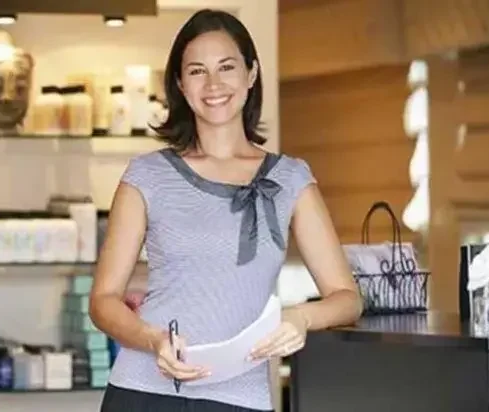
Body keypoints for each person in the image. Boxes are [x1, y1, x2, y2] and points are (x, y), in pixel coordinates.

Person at [90, 9, 363, 412]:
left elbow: (347, 298)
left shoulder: (290, 178)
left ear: (251, 75)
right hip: (144, 392)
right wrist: (153, 340)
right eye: (197, 71)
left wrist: (300, 318)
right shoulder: (147, 175)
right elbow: (103, 300)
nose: (214, 84)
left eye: (227, 67)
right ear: (181, 85)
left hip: (240, 399)